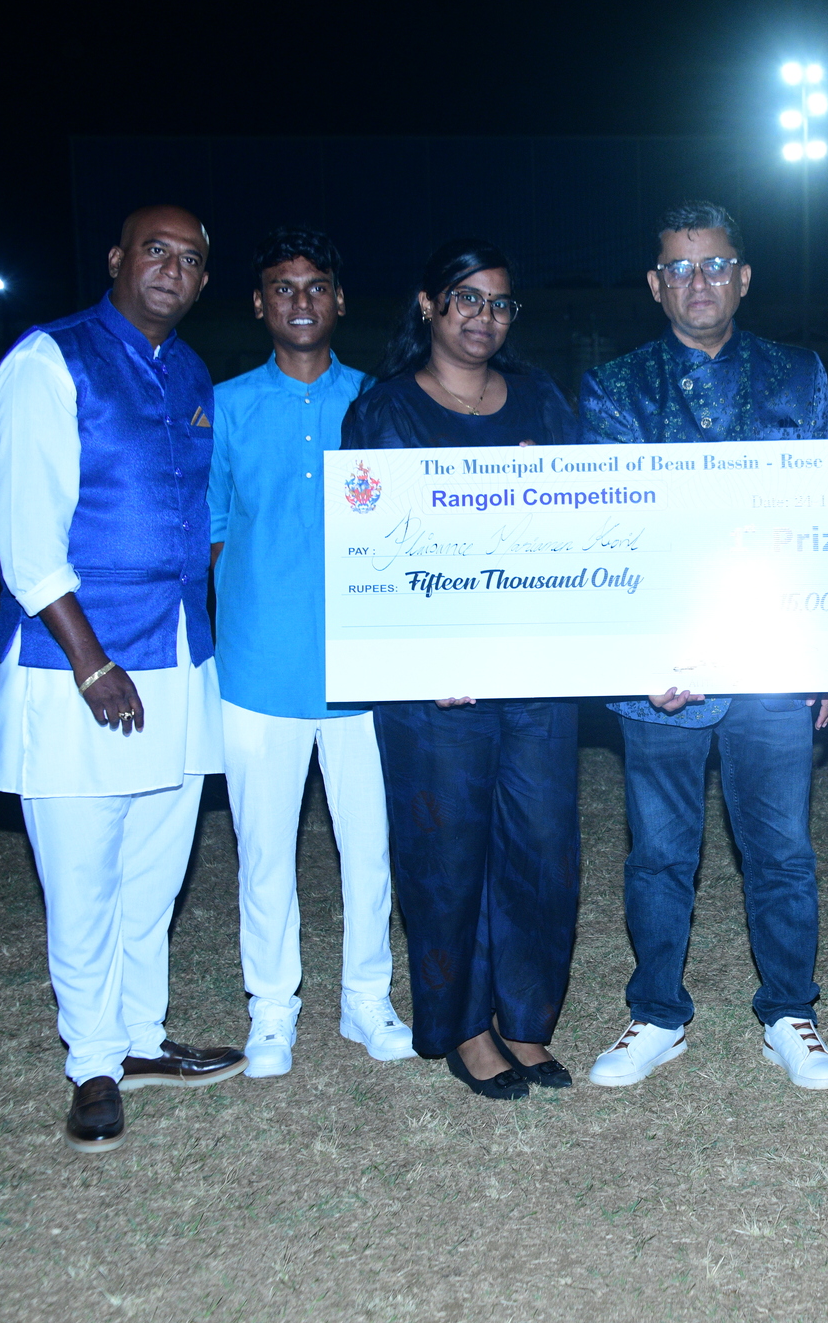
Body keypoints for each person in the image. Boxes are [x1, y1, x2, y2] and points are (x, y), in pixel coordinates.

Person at [0, 205, 246, 1153]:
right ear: (116, 259)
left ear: (205, 280)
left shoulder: (191, 372)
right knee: (83, 874)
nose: (172, 269)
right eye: (155, 251)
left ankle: (141, 1035)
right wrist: (90, 659)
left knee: (156, 870)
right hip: (80, 667)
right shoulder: (49, 360)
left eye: (191, 258)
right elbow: (27, 534)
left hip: (178, 656)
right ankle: (92, 1063)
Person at [577, 200, 828, 1092]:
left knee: (783, 851)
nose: (700, 281)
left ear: (744, 276)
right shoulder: (614, 386)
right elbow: (615, 534)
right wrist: (653, 657)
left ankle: (790, 1012)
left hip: (772, 662)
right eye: (681, 268)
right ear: (656, 285)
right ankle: (658, 1014)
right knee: (660, 853)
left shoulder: (800, 374)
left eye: (716, 264)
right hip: (661, 677)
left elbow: (822, 513)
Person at [343, 239, 580, 1100]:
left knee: (543, 846)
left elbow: (590, 520)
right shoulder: (383, 413)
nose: (485, 317)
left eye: (500, 303)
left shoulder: (543, 399)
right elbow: (366, 552)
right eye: (467, 298)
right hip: (435, 685)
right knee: (446, 853)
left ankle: (525, 1020)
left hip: (535, 668)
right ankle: (466, 1027)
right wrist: (417, 654)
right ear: (429, 305)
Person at [208, 227, 412, 1079]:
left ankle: (367, 998)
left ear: (340, 299)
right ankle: (271, 1009)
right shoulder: (224, 406)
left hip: (363, 673)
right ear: (259, 303)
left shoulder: (380, 401)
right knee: (264, 854)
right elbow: (214, 531)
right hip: (258, 669)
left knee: (369, 849)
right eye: (283, 288)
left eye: (316, 286)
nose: (301, 301)